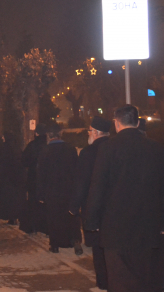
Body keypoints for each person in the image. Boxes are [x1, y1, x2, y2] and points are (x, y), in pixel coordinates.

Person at [86, 105, 164, 292]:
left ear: (116, 124)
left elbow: (98, 187)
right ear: (137, 122)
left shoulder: (108, 148)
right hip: (148, 227)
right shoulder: (156, 149)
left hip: (116, 229)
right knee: (145, 279)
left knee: (120, 279)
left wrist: (91, 221)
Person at [68, 116, 111, 290]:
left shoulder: (88, 152)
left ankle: (103, 281)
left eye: (89, 131)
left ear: (95, 133)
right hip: (115, 207)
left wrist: (74, 206)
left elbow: (82, 182)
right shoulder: (115, 148)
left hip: (93, 206)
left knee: (98, 248)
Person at [37, 123, 81, 254]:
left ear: (49, 136)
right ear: (60, 134)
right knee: (71, 216)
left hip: (52, 191)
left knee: (54, 218)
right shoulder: (70, 149)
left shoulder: (45, 151)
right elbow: (77, 171)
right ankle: (75, 240)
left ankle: (55, 244)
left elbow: (41, 174)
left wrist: (40, 194)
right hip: (69, 190)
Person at [20, 124, 48, 234]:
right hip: (45, 178)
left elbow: (24, 161)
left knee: (32, 202)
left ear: (36, 133)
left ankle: (33, 226)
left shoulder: (32, 146)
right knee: (44, 203)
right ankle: (44, 226)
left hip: (33, 178)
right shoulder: (47, 145)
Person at [0, 132, 25, 225]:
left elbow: (2, 163)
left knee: (10, 199)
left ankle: (12, 217)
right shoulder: (17, 148)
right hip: (18, 178)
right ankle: (18, 216)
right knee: (17, 199)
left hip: (8, 178)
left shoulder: (5, 149)